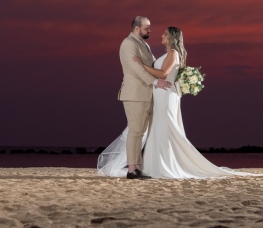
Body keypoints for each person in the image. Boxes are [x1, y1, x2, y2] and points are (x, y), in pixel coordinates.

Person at [99, 25, 255, 179]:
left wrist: (142, 64)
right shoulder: (168, 54)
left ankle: (166, 163)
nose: (161, 36)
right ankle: (156, 163)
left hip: (165, 95)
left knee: (165, 126)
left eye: (165, 34)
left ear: (171, 38)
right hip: (160, 94)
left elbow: (163, 73)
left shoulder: (173, 53)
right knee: (159, 126)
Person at [114, 16, 173, 179]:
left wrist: (170, 68)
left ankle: (137, 167)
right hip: (134, 94)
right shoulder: (128, 44)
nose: (150, 30)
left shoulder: (144, 45)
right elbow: (135, 69)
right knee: (135, 131)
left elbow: (153, 65)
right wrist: (155, 81)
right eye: (147, 27)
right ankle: (132, 169)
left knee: (141, 132)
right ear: (137, 28)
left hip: (146, 94)